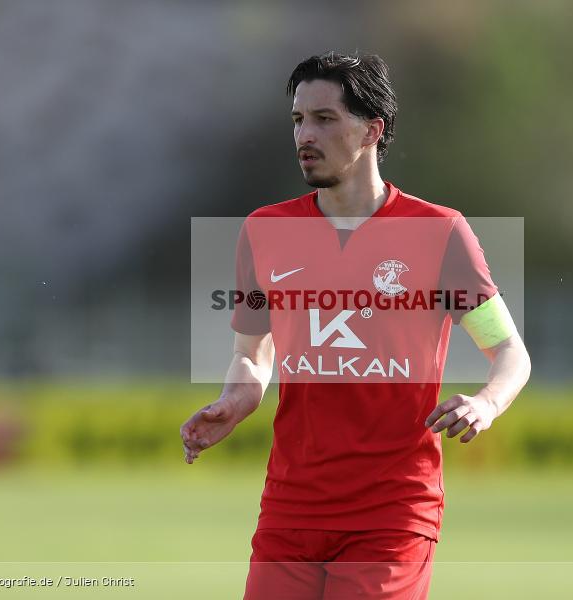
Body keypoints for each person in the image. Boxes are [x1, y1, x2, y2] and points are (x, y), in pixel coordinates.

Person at [181, 51, 531, 600]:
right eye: (298, 120)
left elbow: (511, 352)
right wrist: (237, 397)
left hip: (392, 509)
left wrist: (485, 403)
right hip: (290, 504)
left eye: (325, 118)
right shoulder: (264, 231)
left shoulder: (439, 232)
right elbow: (252, 350)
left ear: (372, 129)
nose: (305, 134)